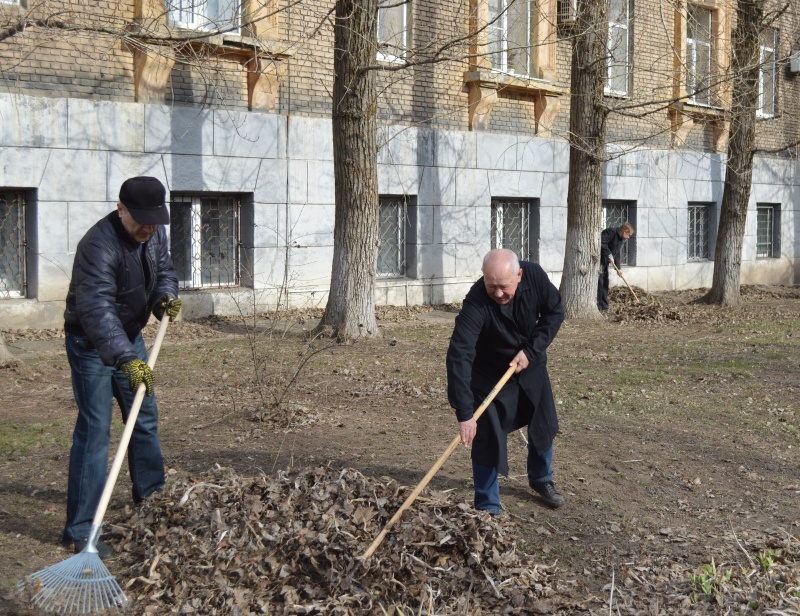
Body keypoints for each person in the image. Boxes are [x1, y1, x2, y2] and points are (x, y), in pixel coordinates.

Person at [62, 176, 181, 558]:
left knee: (144, 417)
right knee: (96, 429)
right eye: (140, 220)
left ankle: (152, 500)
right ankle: (81, 529)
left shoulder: (153, 234)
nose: (148, 228)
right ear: (121, 209)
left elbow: (164, 270)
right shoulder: (98, 245)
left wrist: (166, 298)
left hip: (130, 337)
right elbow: (95, 309)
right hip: (90, 343)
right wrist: (126, 358)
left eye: (154, 220)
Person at [446, 249, 565, 515]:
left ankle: (541, 477)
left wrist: (532, 350)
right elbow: (459, 354)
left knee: (542, 420)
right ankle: (488, 506)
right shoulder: (476, 302)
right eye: (491, 286)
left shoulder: (534, 276)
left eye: (504, 287)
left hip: (529, 362)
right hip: (489, 374)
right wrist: (465, 413)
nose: (498, 293)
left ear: (519, 275)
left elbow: (554, 313)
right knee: (487, 436)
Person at [597, 221, 635, 312]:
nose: (629, 237)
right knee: (600, 283)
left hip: (605, 263)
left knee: (605, 282)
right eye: (629, 235)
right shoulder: (611, 232)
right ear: (625, 231)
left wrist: (618, 268)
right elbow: (602, 243)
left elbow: (617, 254)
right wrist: (609, 255)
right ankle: (598, 305)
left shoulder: (620, 240)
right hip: (599, 261)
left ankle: (604, 305)